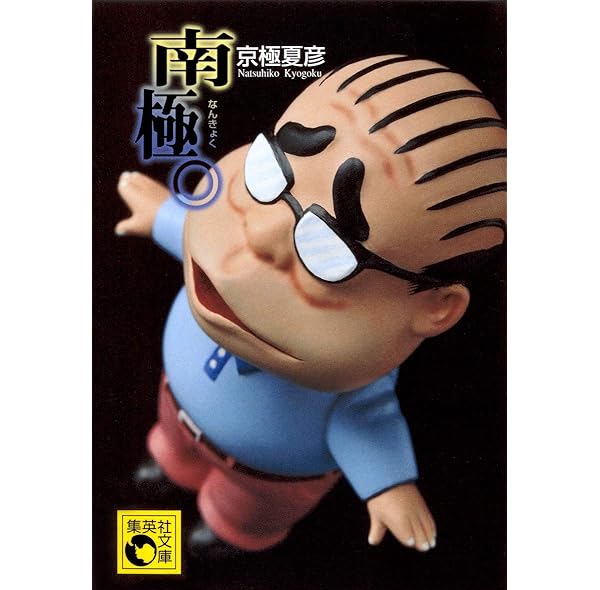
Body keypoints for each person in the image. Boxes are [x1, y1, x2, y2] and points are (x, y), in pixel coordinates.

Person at [115, 55, 506, 555]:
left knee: (242, 512)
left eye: (329, 247)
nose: (259, 234)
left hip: (262, 478)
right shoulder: (234, 241)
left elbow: (366, 418)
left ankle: (231, 528)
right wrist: (164, 217)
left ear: (435, 309)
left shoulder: (354, 386)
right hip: (175, 406)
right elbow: (198, 234)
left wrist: (388, 484)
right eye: (269, 170)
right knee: (170, 447)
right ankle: (170, 460)